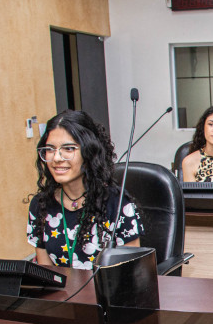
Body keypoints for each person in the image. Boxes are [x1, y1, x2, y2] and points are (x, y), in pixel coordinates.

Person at [27, 110, 143, 269]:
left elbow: (131, 272)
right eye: (50, 149)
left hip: (106, 292)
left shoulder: (117, 203)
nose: (56, 158)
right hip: (62, 293)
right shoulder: (40, 205)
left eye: (68, 149)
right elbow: (47, 273)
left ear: (89, 152)